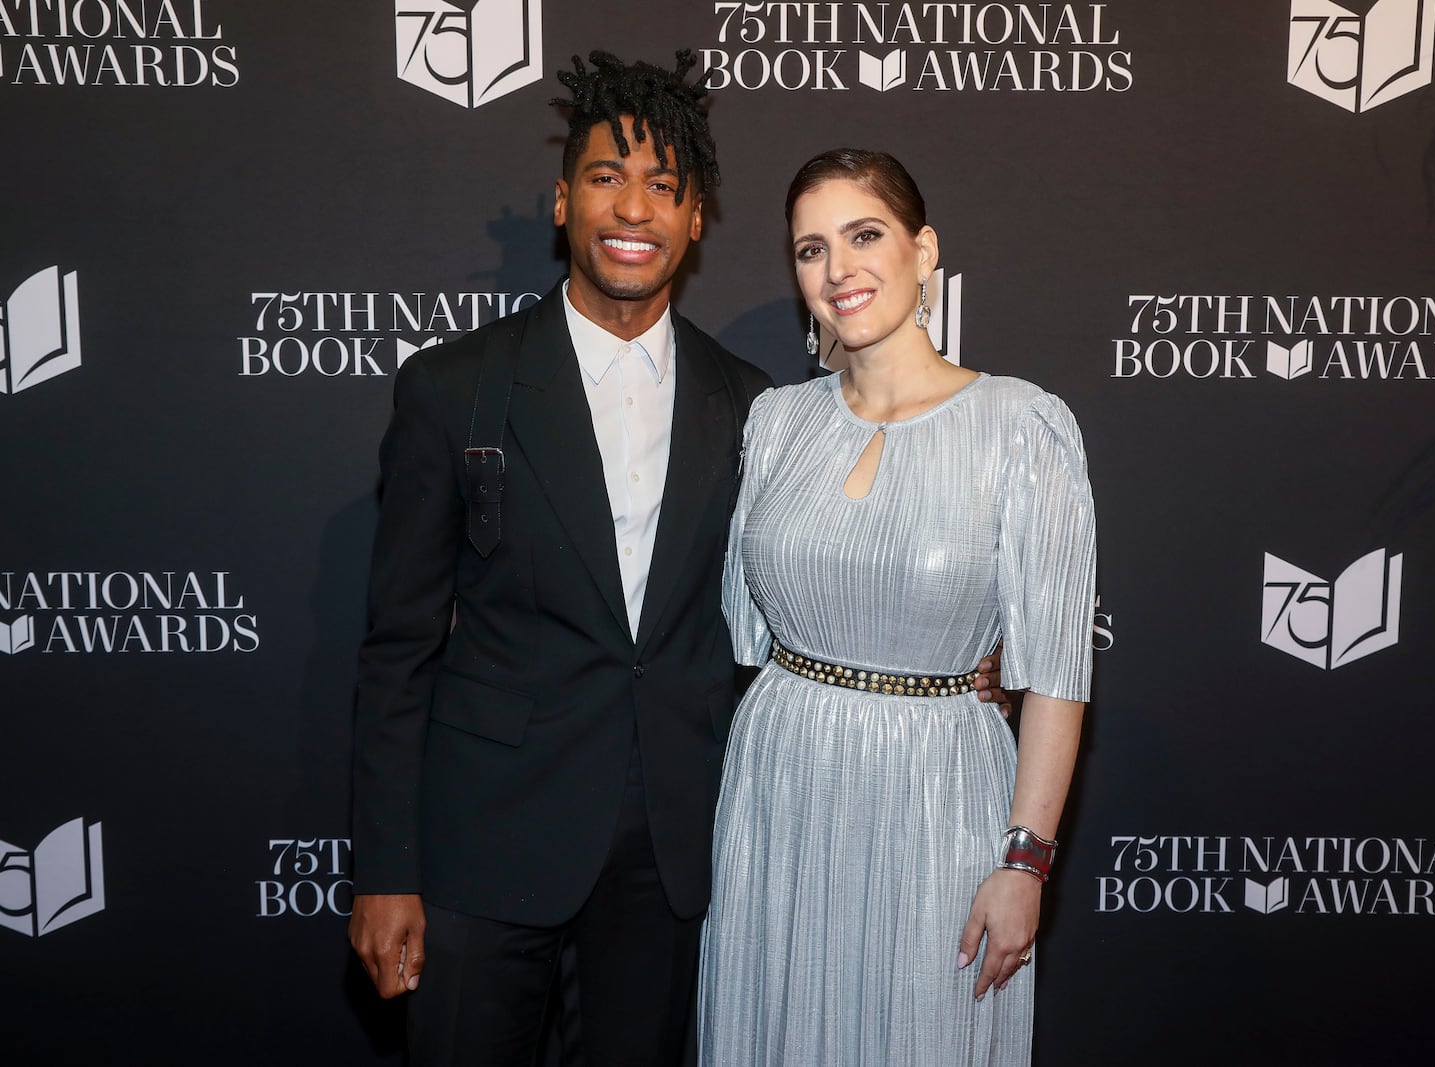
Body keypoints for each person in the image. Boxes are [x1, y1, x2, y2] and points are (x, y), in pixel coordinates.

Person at [345, 51, 772, 1066]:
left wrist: (957, 672)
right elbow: (397, 646)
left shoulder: (753, 404)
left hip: (667, 849)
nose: (634, 206)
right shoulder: (454, 388)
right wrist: (384, 869)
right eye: (604, 176)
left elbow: (791, 603)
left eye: (663, 186)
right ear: (562, 200)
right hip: (482, 839)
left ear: (696, 217)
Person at [699, 148, 1096, 1065]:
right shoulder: (775, 423)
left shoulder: (1020, 424)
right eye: (810, 249)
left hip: (941, 794)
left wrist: (1025, 861)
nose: (838, 269)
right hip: (780, 784)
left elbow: (1059, 675)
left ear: (925, 253)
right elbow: (740, 633)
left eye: (864, 235)